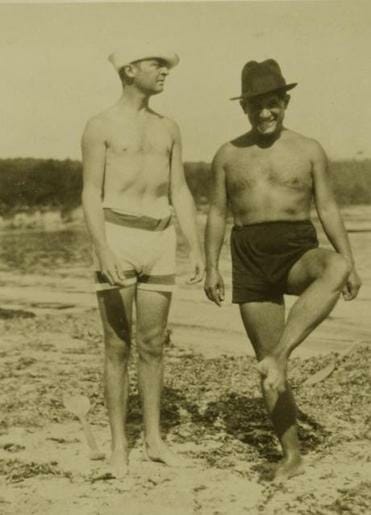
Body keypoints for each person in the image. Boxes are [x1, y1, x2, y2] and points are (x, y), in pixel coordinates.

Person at [204, 59, 361, 482]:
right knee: (271, 372)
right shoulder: (227, 155)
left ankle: (280, 354)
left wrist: (352, 261)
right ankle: (291, 455)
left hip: (296, 251)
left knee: (336, 266)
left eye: (272, 104)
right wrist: (210, 267)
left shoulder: (309, 150)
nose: (264, 114)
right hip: (250, 257)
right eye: (255, 106)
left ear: (285, 102)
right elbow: (217, 213)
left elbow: (327, 206)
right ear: (244, 109)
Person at [81, 45, 203, 478]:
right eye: (157, 65)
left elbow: (181, 191)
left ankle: (153, 441)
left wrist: (196, 249)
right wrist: (103, 250)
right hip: (118, 235)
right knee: (117, 347)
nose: (165, 71)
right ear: (130, 70)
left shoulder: (169, 127)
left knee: (153, 345)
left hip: (160, 238)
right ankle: (118, 447)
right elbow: (90, 193)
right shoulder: (100, 126)